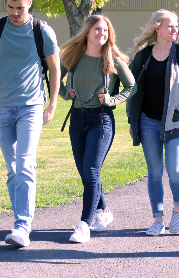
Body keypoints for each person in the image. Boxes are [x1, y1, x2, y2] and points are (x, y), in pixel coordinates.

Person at [0, 0, 60, 248]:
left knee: (25, 164)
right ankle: (22, 220)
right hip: (2, 108)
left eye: (19, 7)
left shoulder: (42, 31)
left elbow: (55, 69)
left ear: (29, 3)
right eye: (10, 7)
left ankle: (22, 227)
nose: (15, 13)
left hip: (31, 107)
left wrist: (52, 104)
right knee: (12, 170)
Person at [59, 14, 135, 243]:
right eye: (98, 30)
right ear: (88, 32)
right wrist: (65, 93)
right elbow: (54, 78)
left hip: (101, 121)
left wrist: (112, 100)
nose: (102, 34)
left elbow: (131, 85)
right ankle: (104, 211)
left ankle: (84, 225)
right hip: (77, 120)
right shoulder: (73, 56)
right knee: (86, 173)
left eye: (105, 31)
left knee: (91, 171)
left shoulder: (111, 59)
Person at [128, 9, 179, 236]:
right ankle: (158, 219)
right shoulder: (143, 57)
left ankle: (178, 209)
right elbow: (133, 91)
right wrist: (133, 122)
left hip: (177, 120)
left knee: (175, 169)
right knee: (155, 172)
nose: (175, 30)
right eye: (170, 26)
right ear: (157, 28)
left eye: (176, 26)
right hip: (148, 121)